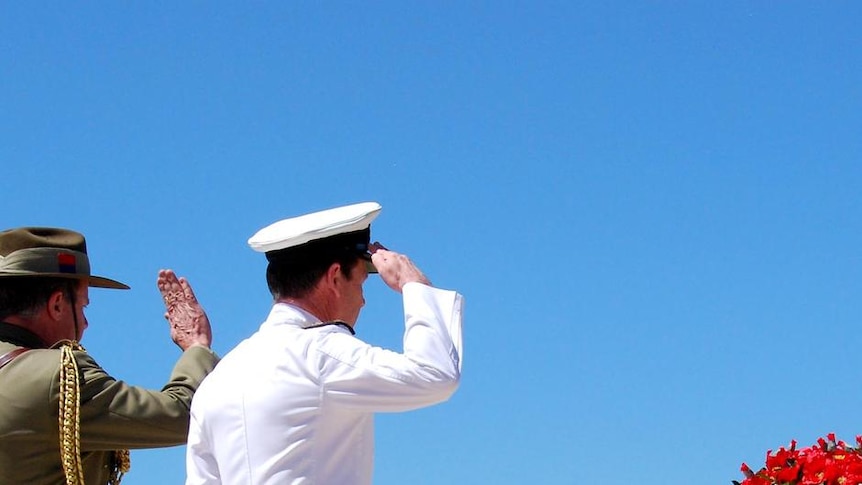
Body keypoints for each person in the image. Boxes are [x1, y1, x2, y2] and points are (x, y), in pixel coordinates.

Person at [186, 201, 464, 484]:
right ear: (334, 277)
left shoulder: (217, 381)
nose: (363, 300)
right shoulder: (319, 354)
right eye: (359, 283)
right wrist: (414, 285)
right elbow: (436, 374)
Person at [0, 227, 219, 485]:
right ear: (57, 304)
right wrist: (196, 347)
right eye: (82, 306)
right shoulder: (61, 377)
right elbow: (183, 414)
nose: (85, 323)